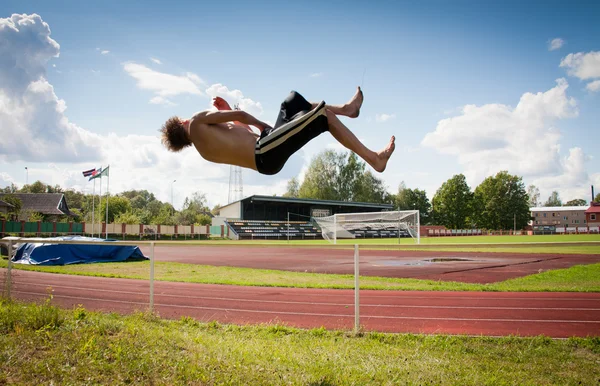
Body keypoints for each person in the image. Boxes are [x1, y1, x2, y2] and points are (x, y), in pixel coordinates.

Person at [160, 87, 395, 175]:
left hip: (264, 156)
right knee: (323, 116)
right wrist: (263, 126)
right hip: (265, 148)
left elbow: (239, 133)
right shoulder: (197, 120)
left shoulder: (204, 149)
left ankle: (347, 109)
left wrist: (227, 111)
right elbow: (242, 118)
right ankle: (374, 159)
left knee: (292, 102)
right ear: (181, 123)